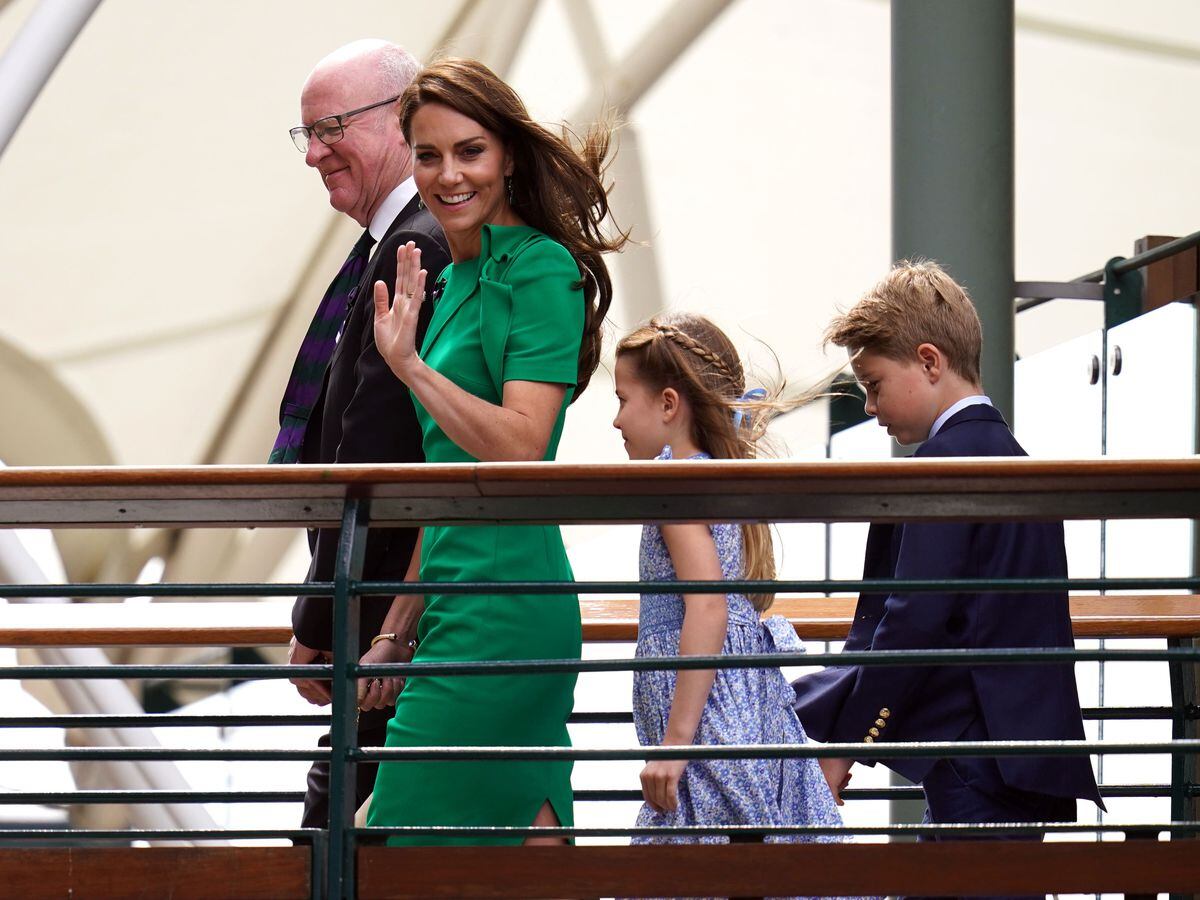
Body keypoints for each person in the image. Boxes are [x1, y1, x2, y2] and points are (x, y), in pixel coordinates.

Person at [360, 57, 627, 846]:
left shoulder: (539, 268)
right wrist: (393, 630)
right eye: (428, 154)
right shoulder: (453, 281)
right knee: (512, 848)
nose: (448, 175)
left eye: (469, 151)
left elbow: (521, 446)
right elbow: (444, 486)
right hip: (452, 607)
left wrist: (406, 365)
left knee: (388, 851)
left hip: (506, 611)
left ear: (508, 154)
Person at [792, 261, 1103, 841]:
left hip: (973, 760)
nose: (868, 406)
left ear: (930, 362)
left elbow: (911, 618)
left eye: (874, 384)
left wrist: (844, 747)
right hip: (1032, 757)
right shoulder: (1018, 460)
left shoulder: (942, 466)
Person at [273, 39, 450, 829]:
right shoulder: (395, 239)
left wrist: (323, 616)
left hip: (391, 619)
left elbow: (372, 448)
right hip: (383, 615)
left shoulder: (415, 245)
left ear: (400, 121)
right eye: (305, 133)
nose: (314, 152)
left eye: (332, 126)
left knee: (338, 835)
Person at [612, 313, 843, 843]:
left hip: (707, 717)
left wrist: (676, 744)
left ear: (669, 404)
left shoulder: (673, 478)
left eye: (623, 400)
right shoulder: (714, 473)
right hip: (732, 703)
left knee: (704, 849)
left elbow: (709, 605)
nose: (617, 420)